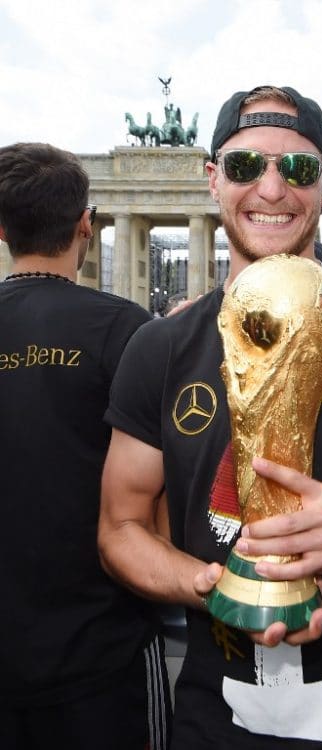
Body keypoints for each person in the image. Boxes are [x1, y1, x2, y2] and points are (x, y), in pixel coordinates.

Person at [98, 86, 322, 749]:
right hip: (217, 719)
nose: (271, 188)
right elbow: (120, 523)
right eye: (242, 166)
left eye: (296, 168)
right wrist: (205, 584)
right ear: (211, 180)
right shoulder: (160, 348)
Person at [0, 143, 171, 750]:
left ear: (3, 227)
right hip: (104, 650)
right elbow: (163, 487)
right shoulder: (128, 332)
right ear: (85, 223)